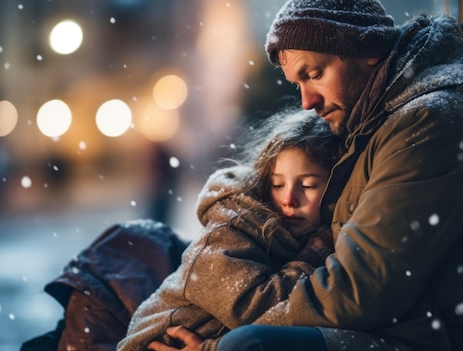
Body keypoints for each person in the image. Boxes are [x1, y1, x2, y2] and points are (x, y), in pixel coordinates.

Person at [148, 0, 463, 350]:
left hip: (443, 338)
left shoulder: (429, 125)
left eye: (314, 74)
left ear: (369, 52)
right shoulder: (374, 128)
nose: (306, 102)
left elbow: (356, 293)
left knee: (249, 346)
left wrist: (218, 345)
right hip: (410, 326)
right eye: (298, 84)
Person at [117, 108, 338, 351]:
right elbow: (259, 313)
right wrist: (313, 255)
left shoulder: (291, 235)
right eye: (277, 184)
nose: (288, 199)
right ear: (264, 183)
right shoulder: (230, 231)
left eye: (306, 185)